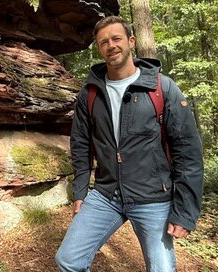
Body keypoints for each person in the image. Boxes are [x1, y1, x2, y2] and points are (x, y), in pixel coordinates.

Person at [55, 16, 204, 272]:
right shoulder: (90, 93)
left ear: (131, 42)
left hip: (153, 197)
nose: (111, 45)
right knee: (68, 260)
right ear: (99, 49)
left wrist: (185, 211)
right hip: (107, 194)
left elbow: (188, 152)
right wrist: (80, 191)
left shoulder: (162, 88)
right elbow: (80, 145)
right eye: (104, 42)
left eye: (116, 39)